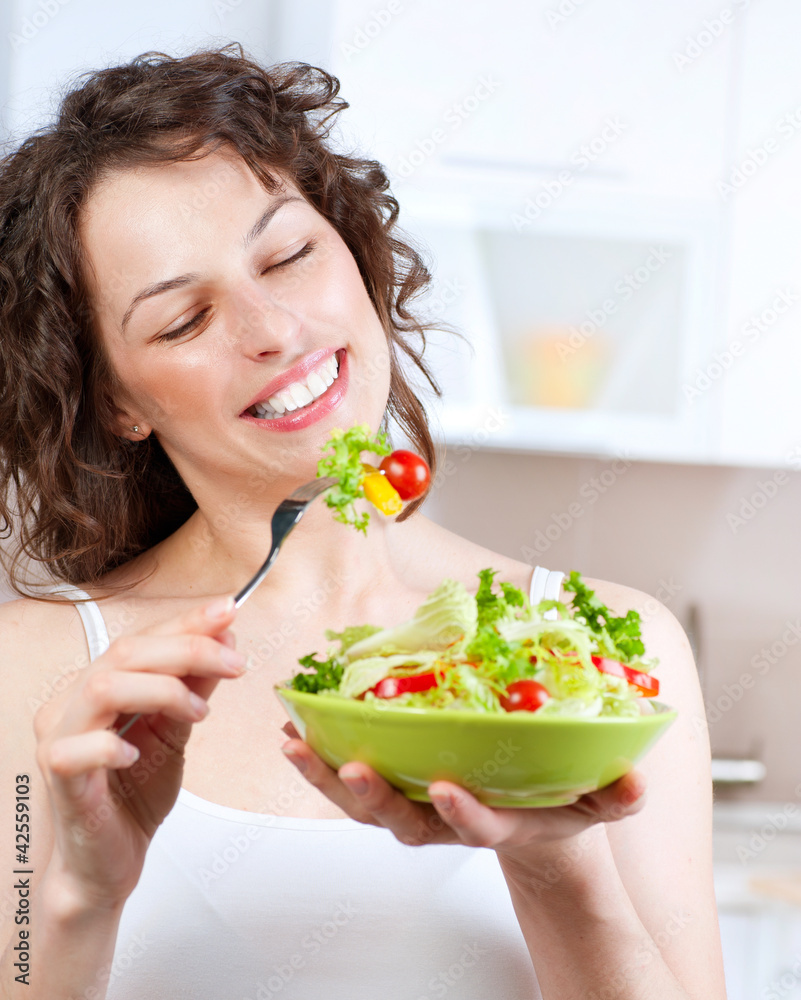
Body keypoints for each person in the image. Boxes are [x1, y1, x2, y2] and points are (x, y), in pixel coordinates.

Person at [0, 45, 726, 999]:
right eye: (183, 321)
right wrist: (74, 905)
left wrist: (554, 864)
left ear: (351, 252)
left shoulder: (603, 655)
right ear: (117, 401)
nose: (272, 329)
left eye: (290, 255)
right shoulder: (37, 668)